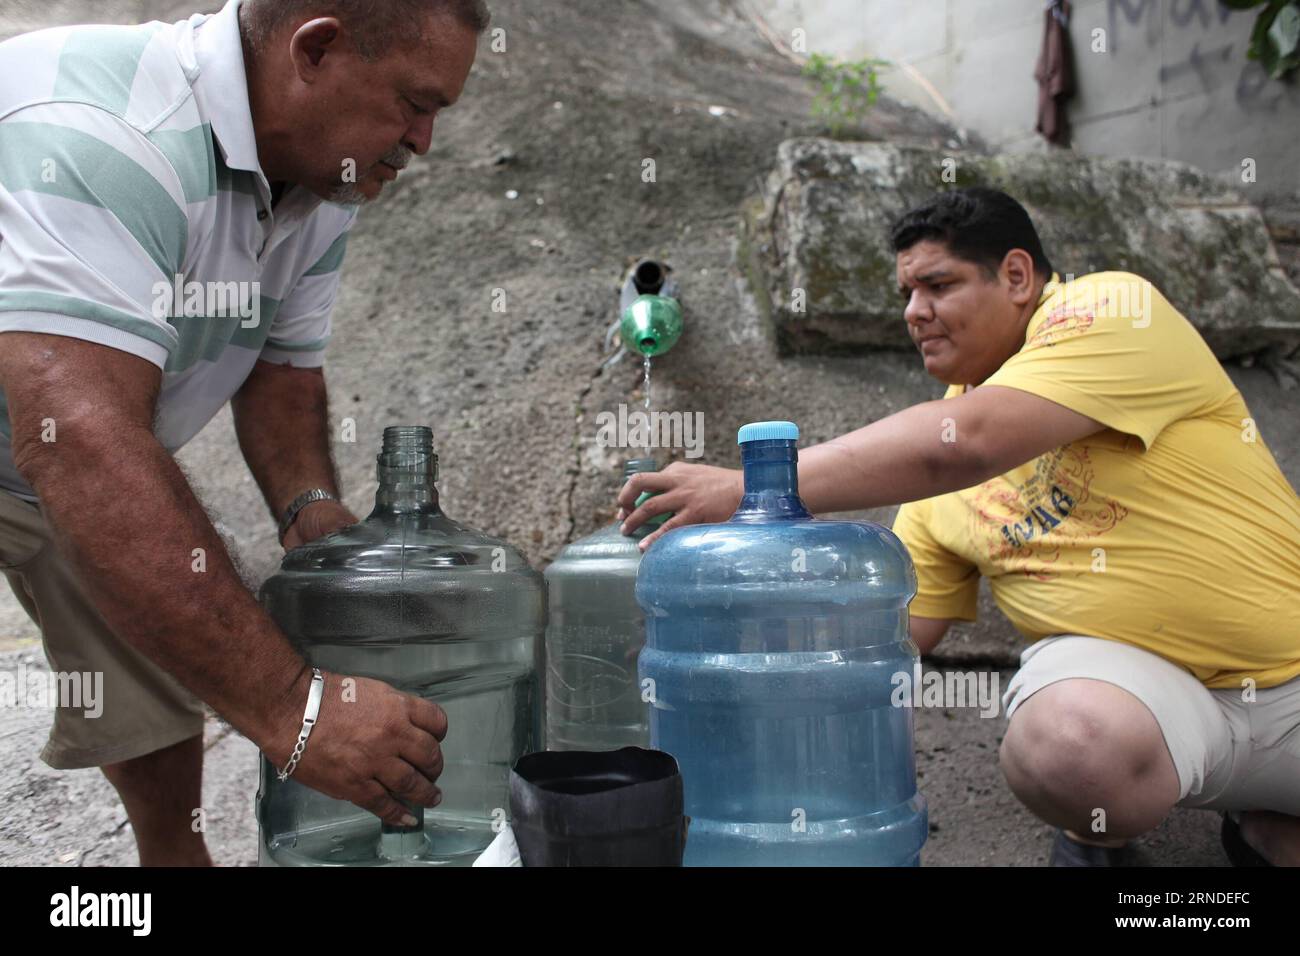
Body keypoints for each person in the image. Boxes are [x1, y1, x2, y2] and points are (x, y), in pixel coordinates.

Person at [618, 187, 1300, 866]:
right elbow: (876, 646)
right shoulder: (936, 497)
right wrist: (703, 661)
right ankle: (1104, 843)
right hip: (1144, 700)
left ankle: (1264, 822)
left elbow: (964, 442)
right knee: (1068, 742)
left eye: (937, 285)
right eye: (906, 294)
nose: (915, 312)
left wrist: (752, 486)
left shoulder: (1109, 311)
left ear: (1016, 276)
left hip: (1292, 684)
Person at [0, 0, 487, 865]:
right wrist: (298, 710)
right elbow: (80, 440)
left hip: (46, 451)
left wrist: (311, 515)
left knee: (159, 619)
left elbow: (279, 366)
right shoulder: (107, 132)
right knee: (125, 511)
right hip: (61, 437)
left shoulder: (323, 176)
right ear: (318, 48)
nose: (423, 141)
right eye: (416, 102)